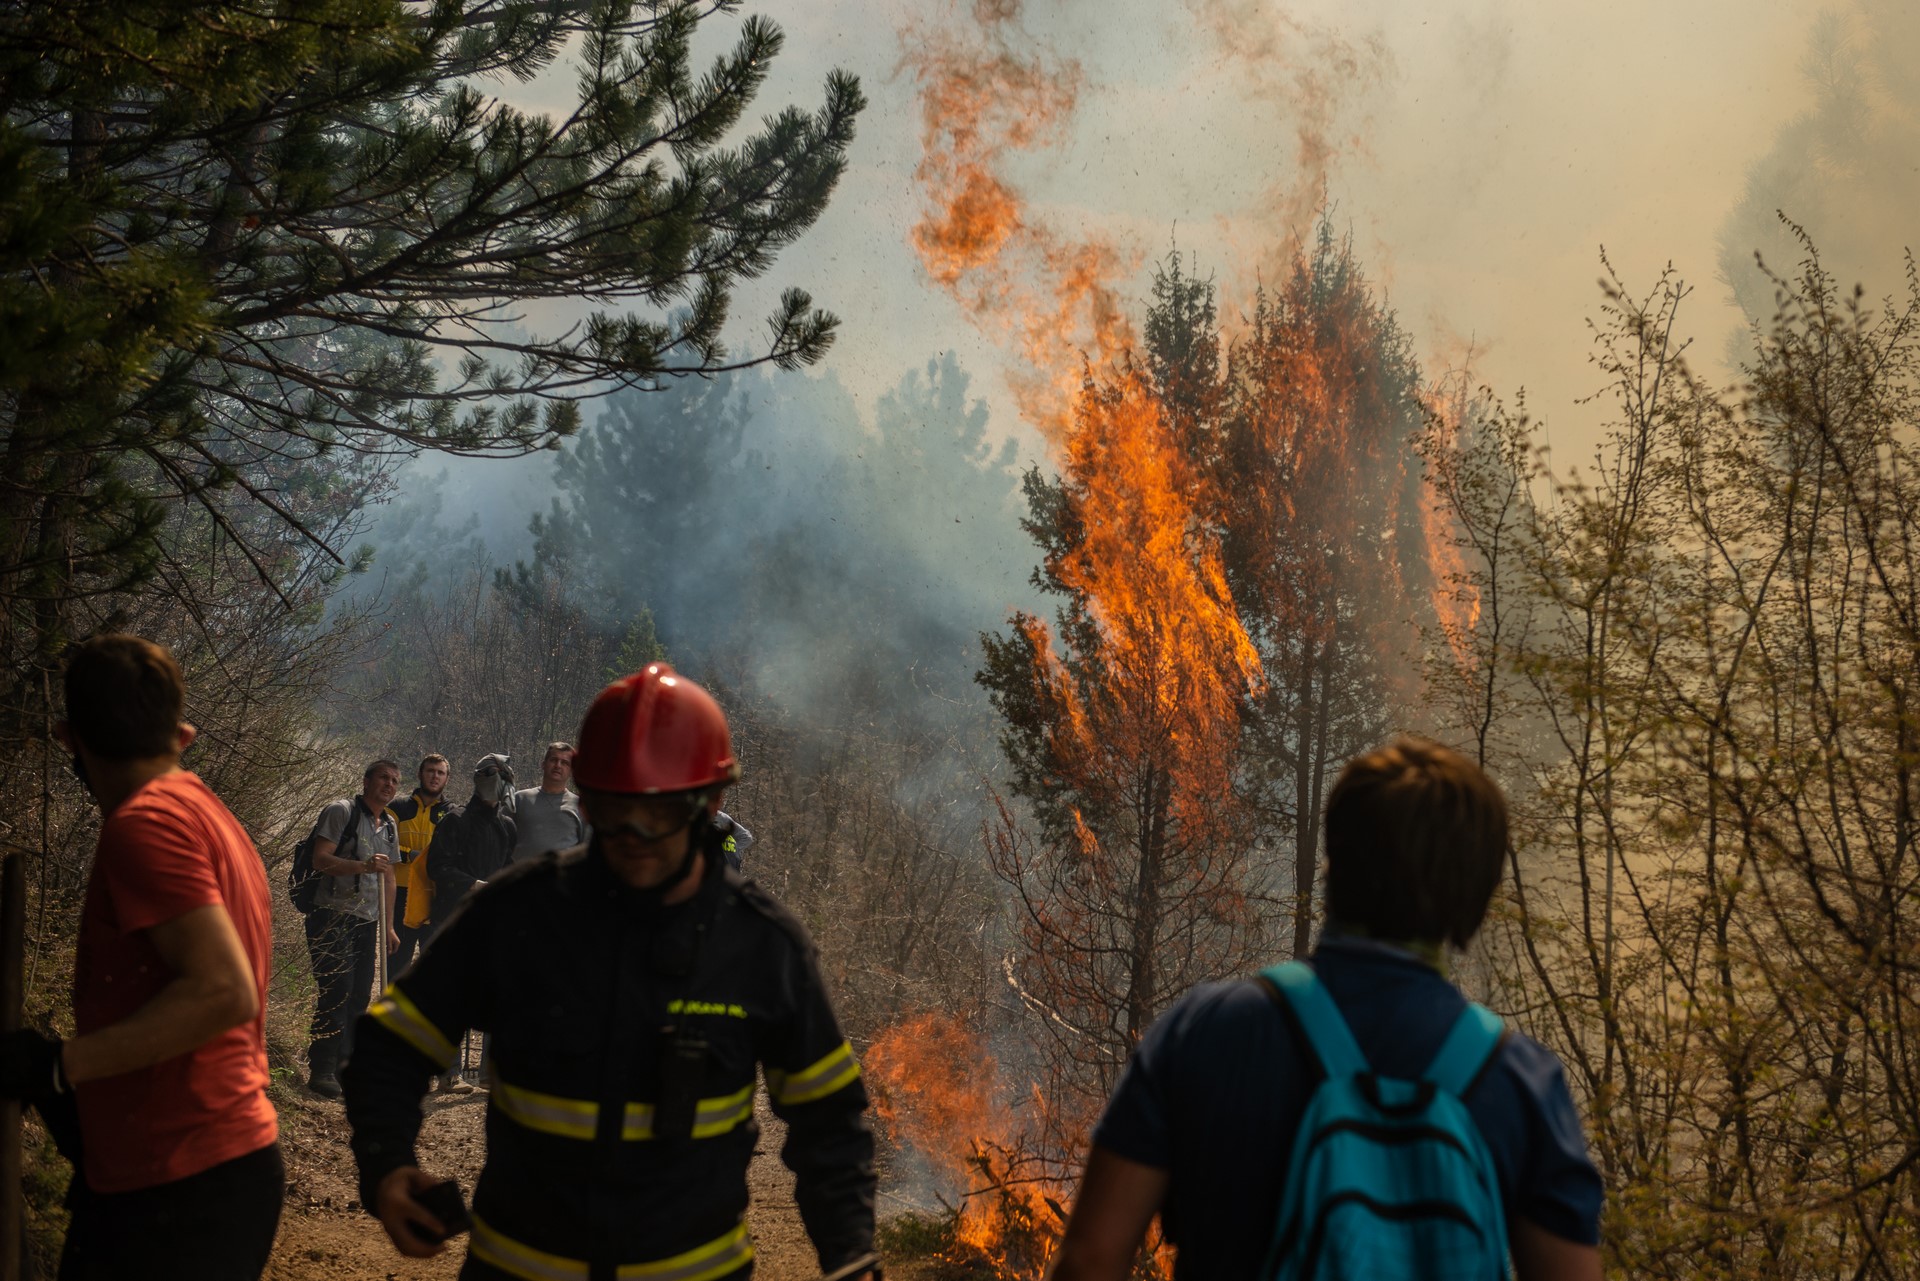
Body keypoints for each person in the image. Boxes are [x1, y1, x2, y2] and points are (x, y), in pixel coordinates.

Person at [342, 663, 877, 1281]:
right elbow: (391, 1048)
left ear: (713, 802)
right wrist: (387, 1165)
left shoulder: (759, 943)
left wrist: (852, 1257)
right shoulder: (516, 916)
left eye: (659, 813)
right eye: (613, 810)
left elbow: (830, 1124)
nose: (634, 835)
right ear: (585, 799)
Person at [1047, 738, 1604, 1281]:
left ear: (1334, 866)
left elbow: (1090, 1261)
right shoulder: (1522, 1083)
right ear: (1475, 902)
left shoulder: (1208, 1031)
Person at [0, 635, 281, 1280]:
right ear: (181, 732)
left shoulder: (147, 823)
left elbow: (222, 991)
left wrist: (59, 1066)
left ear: (71, 739)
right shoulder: (211, 814)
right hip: (198, 1169)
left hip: (180, 1182)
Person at [304, 759, 402, 1099]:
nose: (388, 785)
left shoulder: (390, 825)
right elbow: (320, 859)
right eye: (382, 778)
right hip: (330, 914)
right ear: (365, 781)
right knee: (337, 989)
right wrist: (362, 865)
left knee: (360, 995)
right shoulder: (340, 812)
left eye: (393, 781)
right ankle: (321, 1068)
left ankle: (346, 1069)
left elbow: (389, 877)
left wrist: (388, 926)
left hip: (368, 921)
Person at [389, 753, 452, 967]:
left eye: (440, 773)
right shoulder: (397, 807)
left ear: (447, 778)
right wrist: (410, 855)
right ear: (419, 774)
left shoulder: (454, 814)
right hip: (401, 893)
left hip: (436, 896)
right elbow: (382, 846)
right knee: (397, 961)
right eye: (430, 771)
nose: (435, 776)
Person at [508, 741, 584, 862]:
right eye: (553, 760)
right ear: (543, 764)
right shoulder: (519, 799)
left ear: (571, 770)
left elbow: (587, 851)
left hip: (562, 879)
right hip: (521, 877)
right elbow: (499, 839)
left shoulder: (581, 806)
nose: (558, 765)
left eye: (565, 763)